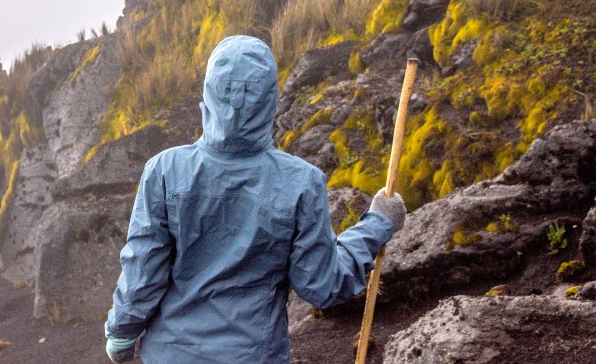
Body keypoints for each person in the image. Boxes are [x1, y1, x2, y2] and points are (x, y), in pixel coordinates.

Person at [104, 35, 406, 363]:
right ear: (271, 100)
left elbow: (143, 267)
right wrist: (378, 222)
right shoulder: (302, 182)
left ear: (209, 93)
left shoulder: (163, 170)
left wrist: (122, 334)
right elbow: (322, 284)